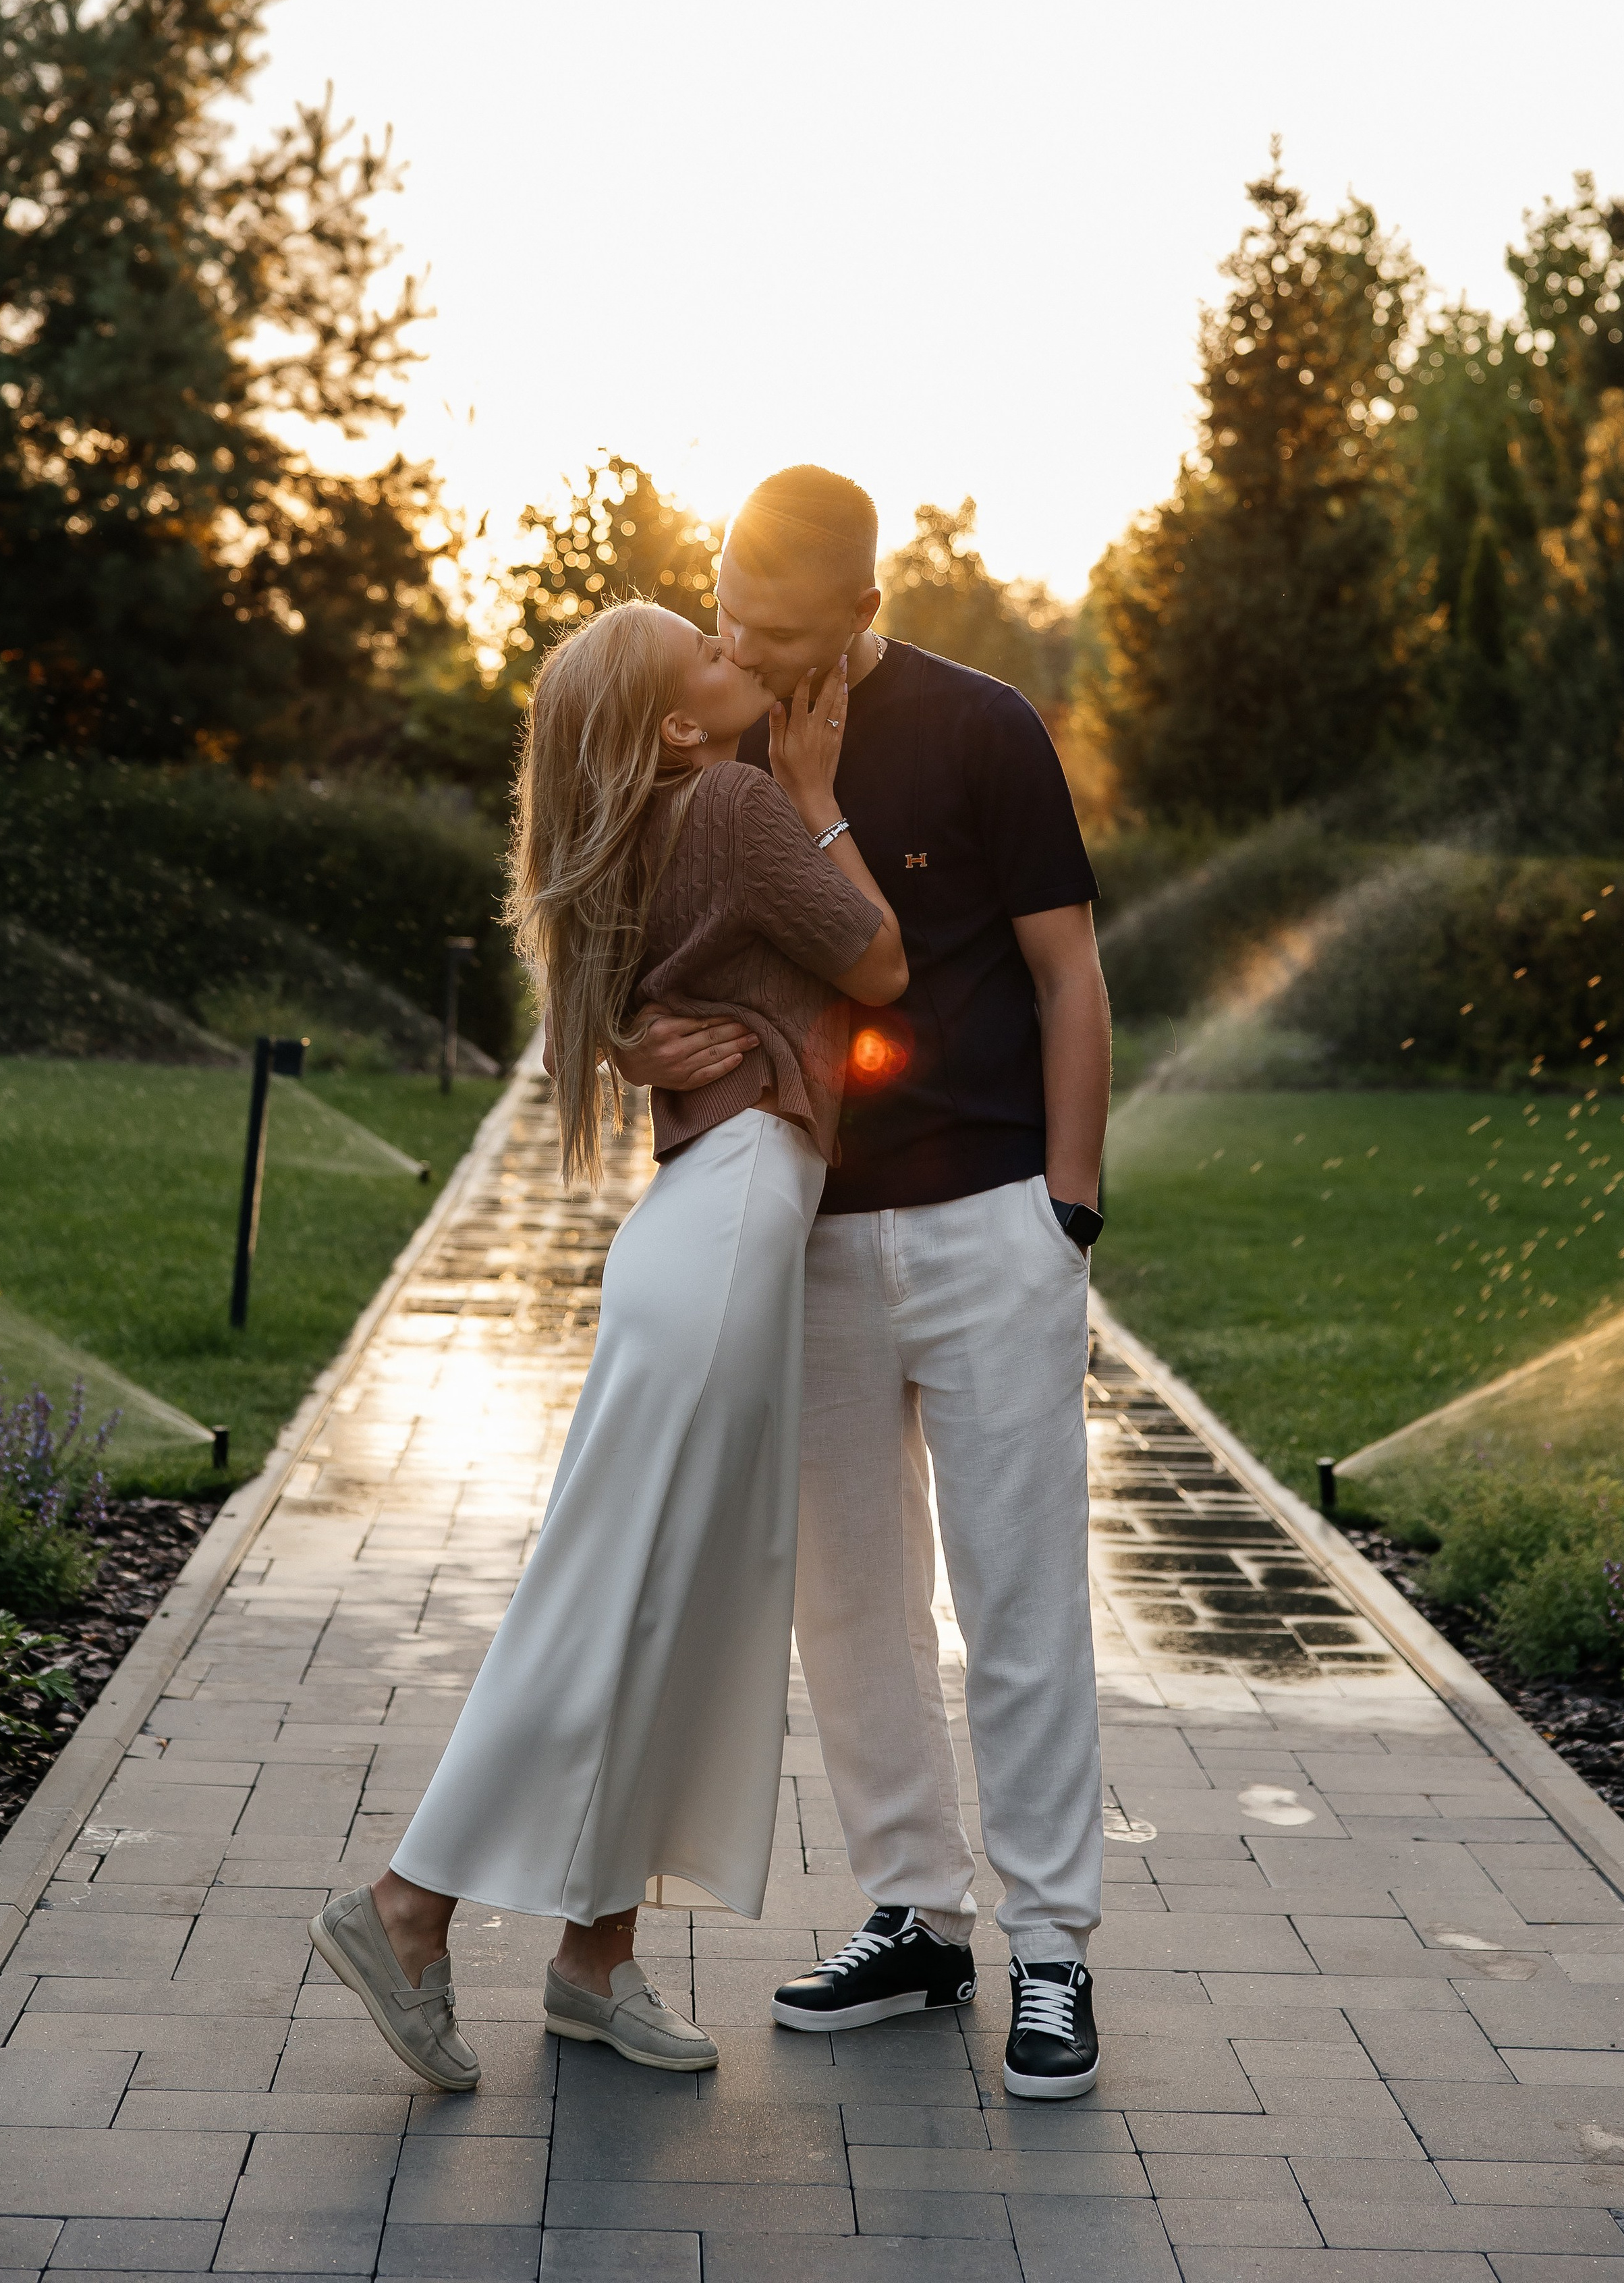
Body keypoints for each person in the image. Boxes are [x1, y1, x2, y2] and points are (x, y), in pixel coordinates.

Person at [310, 597, 907, 2085]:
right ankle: (406, 1908)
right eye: (705, 655)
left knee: (681, 1603)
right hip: (725, 1227)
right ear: (676, 724)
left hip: (716, 1228)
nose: (733, 653)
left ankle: (594, 1961)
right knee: (616, 1592)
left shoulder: (651, 818)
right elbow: (879, 964)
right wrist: (825, 802)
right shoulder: (736, 799)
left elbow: (641, 1001)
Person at [619, 466, 1111, 2101]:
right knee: (850, 1599)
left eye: (769, 631)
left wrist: (1070, 1206)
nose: (735, 650)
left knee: (1019, 1593)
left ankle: (1050, 1951)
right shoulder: (709, 732)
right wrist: (637, 1044)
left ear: (858, 605)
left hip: (987, 1219)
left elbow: (1065, 974)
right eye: (723, 617)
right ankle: (914, 1917)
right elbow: (634, 941)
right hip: (804, 1221)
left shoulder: (981, 729)